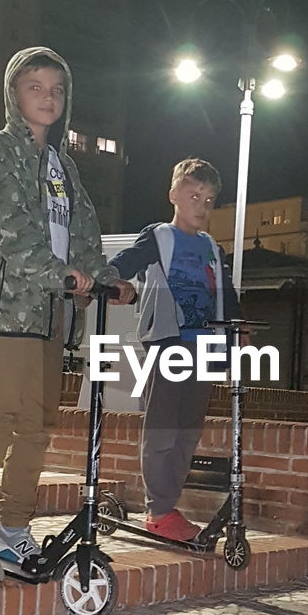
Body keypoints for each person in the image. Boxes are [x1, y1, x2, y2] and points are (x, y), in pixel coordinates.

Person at [0, 46, 134, 583]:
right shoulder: (0, 149)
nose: (48, 97)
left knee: (37, 424)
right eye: (35, 86)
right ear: (14, 94)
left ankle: (14, 527)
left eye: (56, 89)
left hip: (53, 315)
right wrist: (56, 272)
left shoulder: (64, 167)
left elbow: (82, 237)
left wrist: (104, 278)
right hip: (7, 309)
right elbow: (12, 229)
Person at [108, 158, 240, 542]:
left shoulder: (213, 248)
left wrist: (235, 338)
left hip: (204, 349)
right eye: (194, 195)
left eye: (209, 199)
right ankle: (158, 509)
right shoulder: (160, 237)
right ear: (174, 196)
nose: (201, 205)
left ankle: (167, 506)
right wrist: (111, 282)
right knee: (162, 429)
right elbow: (125, 262)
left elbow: (226, 296)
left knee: (187, 432)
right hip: (168, 345)